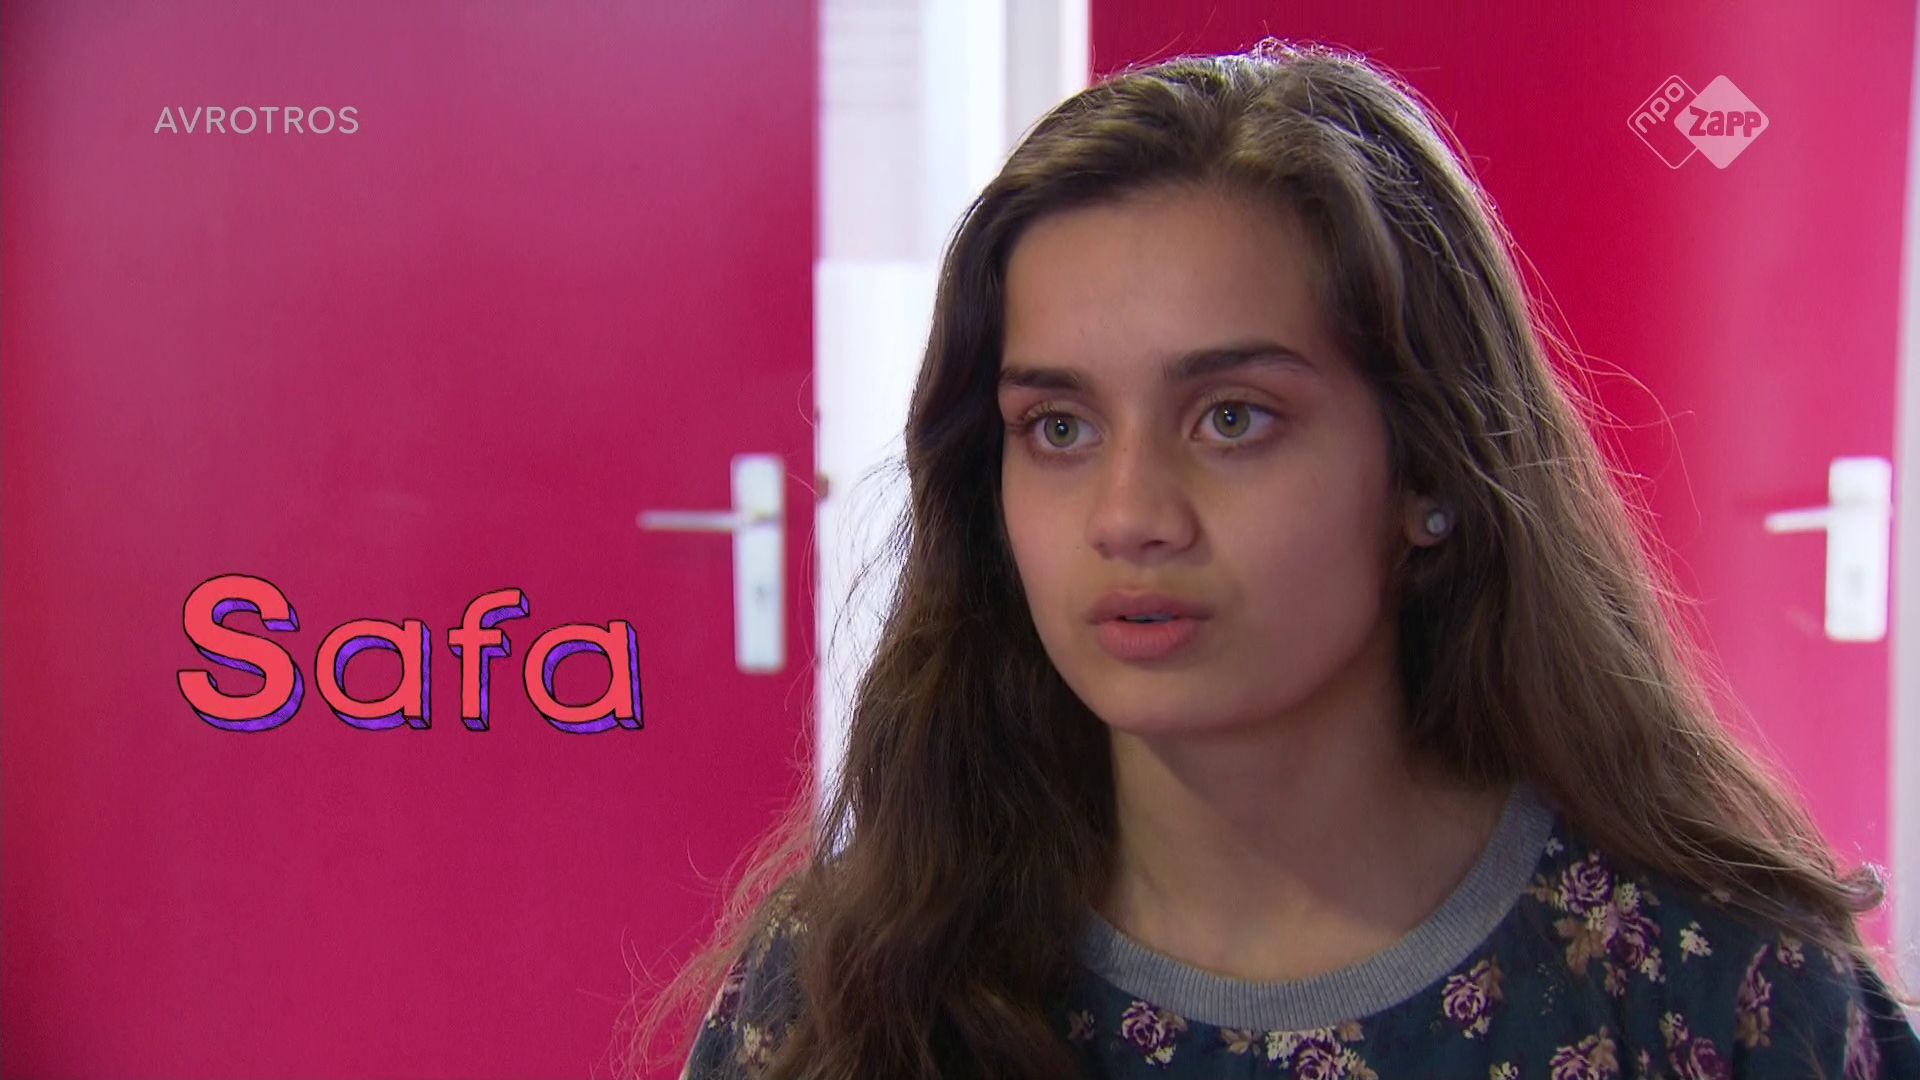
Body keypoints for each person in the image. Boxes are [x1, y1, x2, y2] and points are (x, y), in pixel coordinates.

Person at [620, 39, 1920, 1079]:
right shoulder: (848, 993)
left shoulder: (1713, 991)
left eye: (1232, 419)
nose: (1130, 515)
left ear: (1427, 473)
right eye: (1059, 428)